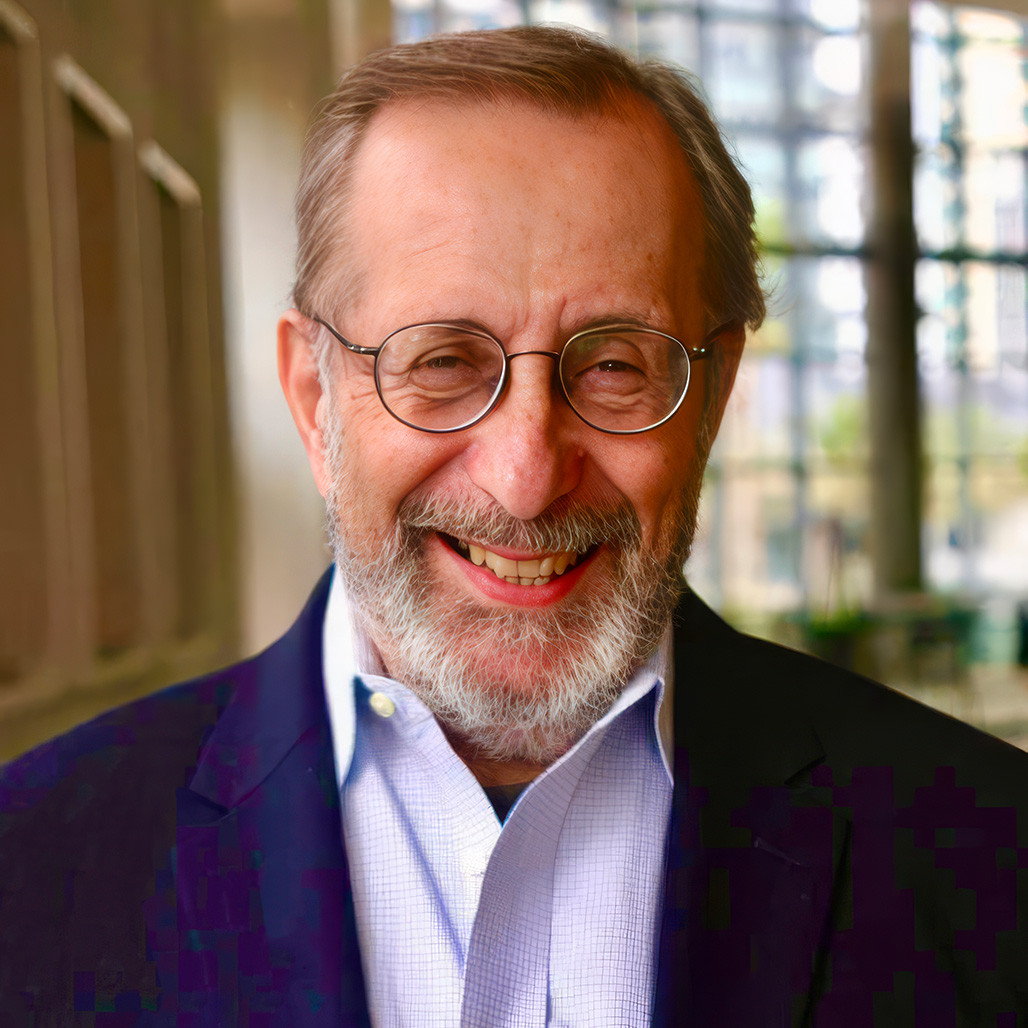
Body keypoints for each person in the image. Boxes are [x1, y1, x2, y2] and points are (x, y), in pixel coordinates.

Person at [1, 25, 1026, 1028]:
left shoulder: (987, 853)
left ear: (710, 400)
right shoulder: (33, 865)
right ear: (315, 399)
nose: (528, 477)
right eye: (442, 361)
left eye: (615, 364)